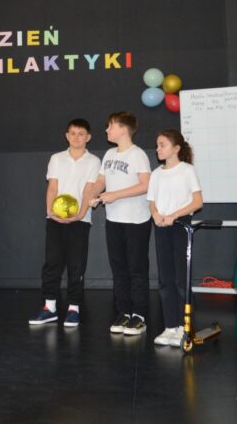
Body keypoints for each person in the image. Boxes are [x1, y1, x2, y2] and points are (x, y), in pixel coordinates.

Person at [83, 112, 152, 336]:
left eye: (110, 126)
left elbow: (146, 185)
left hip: (136, 220)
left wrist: (115, 195)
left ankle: (139, 315)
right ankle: (123, 312)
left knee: (136, 269)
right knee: (119, 269)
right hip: (114, 220)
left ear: (123, 129)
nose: (106, 130)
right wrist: (94, 193)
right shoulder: (109, 154)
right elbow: (101, 180)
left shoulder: (137, 154)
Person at [29, 118, 101, 329]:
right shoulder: (56, 158)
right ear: (66, 135)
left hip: (80, 220)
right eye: (72, 133)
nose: (76, 137)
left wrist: (80, 214)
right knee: (52, 263)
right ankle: (49, 307)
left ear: (88, 137)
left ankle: (73, 308)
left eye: (81, 134)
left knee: (76, 265)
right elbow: (52, 187)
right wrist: (50, 212)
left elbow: (89, 190)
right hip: (55, 220)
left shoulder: (93, 161)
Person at [148, 130, 203, 346]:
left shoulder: (187, 170)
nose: (158, 149)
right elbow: (152, 201)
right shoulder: (156, 174)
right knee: (166, 279)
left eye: (162, 145)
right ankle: (170, 326)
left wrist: (174, 215)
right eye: (157, 145)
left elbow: (197, 202)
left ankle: (183, 326)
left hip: (181, 226)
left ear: (176, 148)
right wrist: (156, 215)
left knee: (181, 279)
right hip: (162, 226)